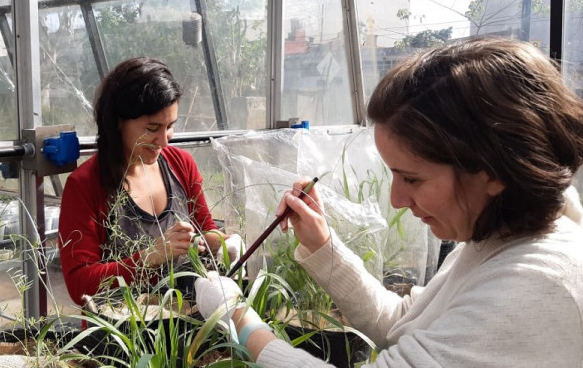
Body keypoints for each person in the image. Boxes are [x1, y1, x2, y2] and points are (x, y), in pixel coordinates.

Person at [195, 37, 583, 366]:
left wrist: (239, 321)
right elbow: (403, 320)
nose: (397, 199)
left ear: (494, 170)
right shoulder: (496, 236)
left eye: (412, 177)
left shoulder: (537, 285)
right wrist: (321, 244)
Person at [59, 57, 240, 305]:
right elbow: (80, 284)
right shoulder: (85, 185)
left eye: (170, 126)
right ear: (118, 121)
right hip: (124, 333)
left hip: (183, 318)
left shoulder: (180, 164)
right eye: (152, 128)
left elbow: (203, 227)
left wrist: (221, 242)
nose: (164, 141)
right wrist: (150, 256)